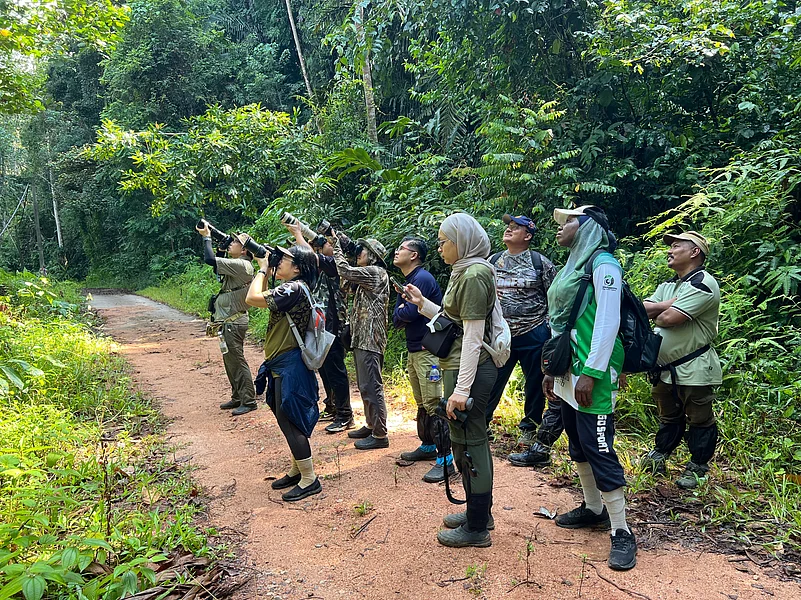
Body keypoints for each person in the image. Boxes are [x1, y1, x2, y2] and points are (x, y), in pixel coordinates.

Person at [542, 205, 637, 571]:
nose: (561, 227)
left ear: (587, 227)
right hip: (570, 369)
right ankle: (593, 508)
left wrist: (593, 371)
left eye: (568, 221)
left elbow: (609, 319)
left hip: (591, 372)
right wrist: (553, 370)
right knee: (577, 443)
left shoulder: (604, 264)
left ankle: (621, 531)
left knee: (599, 447)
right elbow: (561, 322)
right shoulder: (573, 264)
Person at [404, 212, 499, 548]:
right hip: (456, 366)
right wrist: (422, 304)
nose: (441, 247)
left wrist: (461, 388)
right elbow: (453, 320)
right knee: (462, 439)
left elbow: (473, 336)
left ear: (463, 242)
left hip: (467, 370)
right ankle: (479, 513)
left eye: (445, 241)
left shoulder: (474, 274)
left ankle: (477, 527)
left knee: (472, 440)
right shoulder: (464, 272)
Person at [641, 231, 722, 489]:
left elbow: (667, 319)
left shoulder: (703, 283)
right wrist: (670, 302)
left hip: (695, 367)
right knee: (668, 416)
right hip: (664, 370)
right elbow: (643, 309)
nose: (670, 250)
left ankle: (697, 466)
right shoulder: (669, 285)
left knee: (699, 418)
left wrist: (663, 308)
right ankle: (660, 454)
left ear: (695, 251)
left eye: (676, 246)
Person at [245, 244, 323, 502]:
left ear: (298, 267)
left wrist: (262, 269)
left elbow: (252, 299)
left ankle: (310, 479)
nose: (279, 261)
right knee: (283, 415)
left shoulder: (294, 287)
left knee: (290, 418)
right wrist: (268, 268)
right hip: (282, 361)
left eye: (285, 259)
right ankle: (298, 469)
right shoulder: (293, 288)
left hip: (290, 363)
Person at [484, 213, 562, 467]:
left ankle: (530, 429)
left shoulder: (541, 263)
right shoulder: (493, 261)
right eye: (508, 226)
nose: (509, 229)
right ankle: (481, 425)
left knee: (536, 384)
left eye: (516, 227)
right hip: (502, 336)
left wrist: (549, 329)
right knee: (492, 380)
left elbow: (555, 298)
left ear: (528, 235)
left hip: (534, 332)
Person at [392, 236, 452, 483]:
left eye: (401, 249)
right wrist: (403, 312)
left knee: (434, 402)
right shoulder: (409, 280)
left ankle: (446, 460)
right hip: (415, 348)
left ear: (414, 255)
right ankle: (427, 446)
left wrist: (403, 312)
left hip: (428, 350)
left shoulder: (422, 279)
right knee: (421, 401)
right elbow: (399, 317)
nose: (396, 252)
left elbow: (406, 313)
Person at [284, 222, 354, 434]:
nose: (320, 245)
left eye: (325, 243)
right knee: (323, 368)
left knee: (335, 371)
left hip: (333, 325)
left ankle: (345, 414)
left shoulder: (335, 266)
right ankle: (332, 406)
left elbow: (311, 258)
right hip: (319, 325)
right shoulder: (320, 268)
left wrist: (299, 234)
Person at [332, 232, 391, 450]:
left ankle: (379, 434)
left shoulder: (376, 273)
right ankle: (371, 424)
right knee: (365, 386)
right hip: (361, 338)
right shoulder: (367, 276)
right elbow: (345, 284)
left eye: (362, 251)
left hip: (370, 339)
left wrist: (336, 245)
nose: (359, 254)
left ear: (373, 256)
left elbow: (344, 270)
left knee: (371, 386)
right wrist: (347, 250)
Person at [196, 221, 257, 416]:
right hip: (227, 321)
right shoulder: (237, 265)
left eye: (236, 242)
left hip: (234, 321)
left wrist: (207, 236)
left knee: (237, 361)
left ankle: (248, 400)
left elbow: (209, 260)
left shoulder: (243, 265)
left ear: (244, 250)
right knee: (230, 362)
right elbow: (217, 270)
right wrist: (221, 247)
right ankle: (237, 396)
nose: (231, 243)